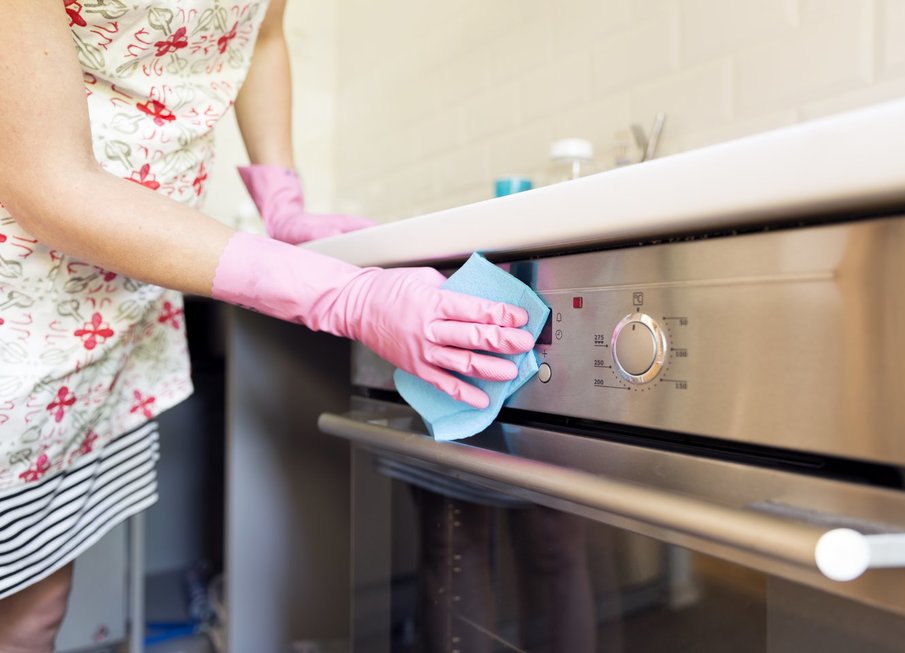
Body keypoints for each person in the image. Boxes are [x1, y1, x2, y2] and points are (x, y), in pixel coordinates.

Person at [0, 1, 534, 648]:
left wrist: (282, 203)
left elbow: (262, 33)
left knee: (37, 599)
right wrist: (346, 296)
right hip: (21, 293)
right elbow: (50, 182)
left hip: (118, 299)